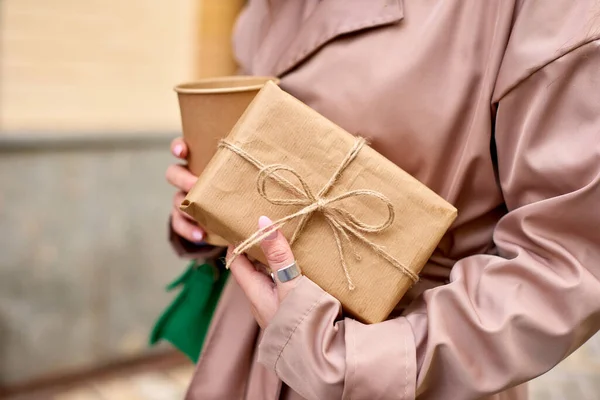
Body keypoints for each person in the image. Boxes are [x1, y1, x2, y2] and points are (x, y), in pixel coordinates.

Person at [165, 1, 600, 399]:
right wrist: (213, 206)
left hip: (410, 367)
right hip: (245, 357)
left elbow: (567, 260)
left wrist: (349, 361)